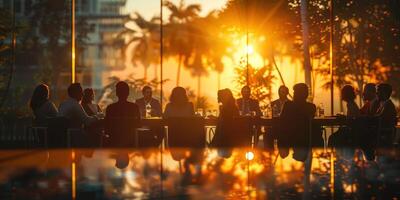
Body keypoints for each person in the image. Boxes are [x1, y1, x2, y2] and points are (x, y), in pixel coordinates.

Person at [278, 83, 318, 162]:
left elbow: (281, 121)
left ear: (296, 94)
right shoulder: (311, 107)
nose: (293, 94)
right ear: (306, 94)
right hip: (305, 138)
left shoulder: (288, 105)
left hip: (288, 138)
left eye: (294, 92)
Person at [105, 81, 141, 147]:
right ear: (128, 93)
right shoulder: (135, 107)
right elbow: (139, 124)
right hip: (130, 141)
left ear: (117, 93)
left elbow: (107, 126)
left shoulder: (110, 108)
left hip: (114, 141)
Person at [211, 89, 241, 157]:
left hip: (224, 140)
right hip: (229, 139)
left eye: (219, 96)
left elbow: (223, 124)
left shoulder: (225, 108)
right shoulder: (233, 107)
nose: (217, 98)